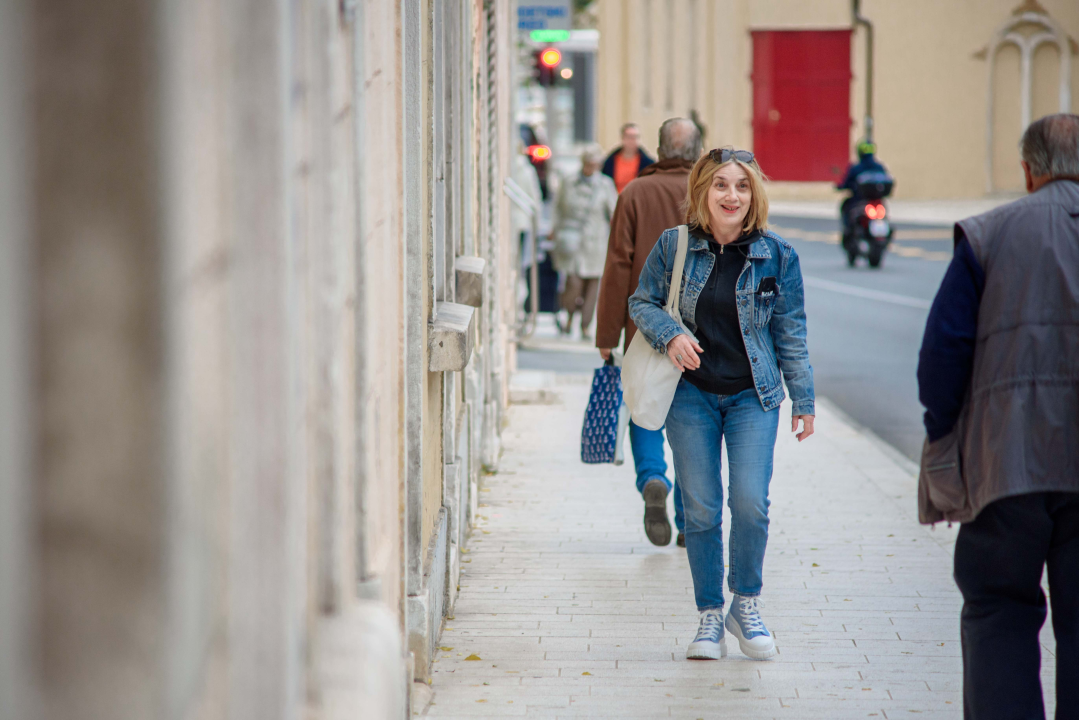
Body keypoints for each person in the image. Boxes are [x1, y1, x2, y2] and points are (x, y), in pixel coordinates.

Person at [916, 113, 1079, 720]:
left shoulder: (988, 234)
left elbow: (941, 358)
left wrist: (946, 440)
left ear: (1029, 171)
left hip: (1004, 462)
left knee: (998, 611)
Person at [628, 147, 815, 662]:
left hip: (754, 396)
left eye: (742, 186)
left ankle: (745, 604)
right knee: (702, 509)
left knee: (750, 503)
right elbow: (642, 301)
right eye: (721, 185)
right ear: (702, 191)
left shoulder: (778, 255)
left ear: (754, 194)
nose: (732, 195)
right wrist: (670, 335)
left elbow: (790, 331)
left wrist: (803, 398)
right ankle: (710, 614)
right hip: (690, 396)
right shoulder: (675, 245)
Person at [596, 117, 701, 547]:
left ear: (657, 150)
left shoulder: (634, 193)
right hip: (698, 333)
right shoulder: (707, 192)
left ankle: (653, 478)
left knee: (643, 406)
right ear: (698, 152)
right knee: (692, 419)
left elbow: (618, 264)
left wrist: (607, 335)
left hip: (641, 327)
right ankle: (689, 520)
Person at [551, 144, 618, 339]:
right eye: (588, 163)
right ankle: (569, 316)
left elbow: (614, 212)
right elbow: (557, 208)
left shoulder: (605, 185)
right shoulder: (569, 181)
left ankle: (585, 325)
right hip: (572, 241)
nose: (590, 167)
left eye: (594, 164)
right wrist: (554, 229)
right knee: (573, 282)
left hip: (596, 242)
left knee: (592, 286)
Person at [836, 141, 889, 237]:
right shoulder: (879, 167)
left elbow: (847, 182)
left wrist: (841, 186)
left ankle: (848, 230)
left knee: (846, 207)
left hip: (859, 200)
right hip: (877, 200)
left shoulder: (856, 168)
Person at [602, 123, 655, 193]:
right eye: (629, 137)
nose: (632, 140)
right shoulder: (609, 162)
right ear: (622, 138)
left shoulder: (648, 164)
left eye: (635, 137)